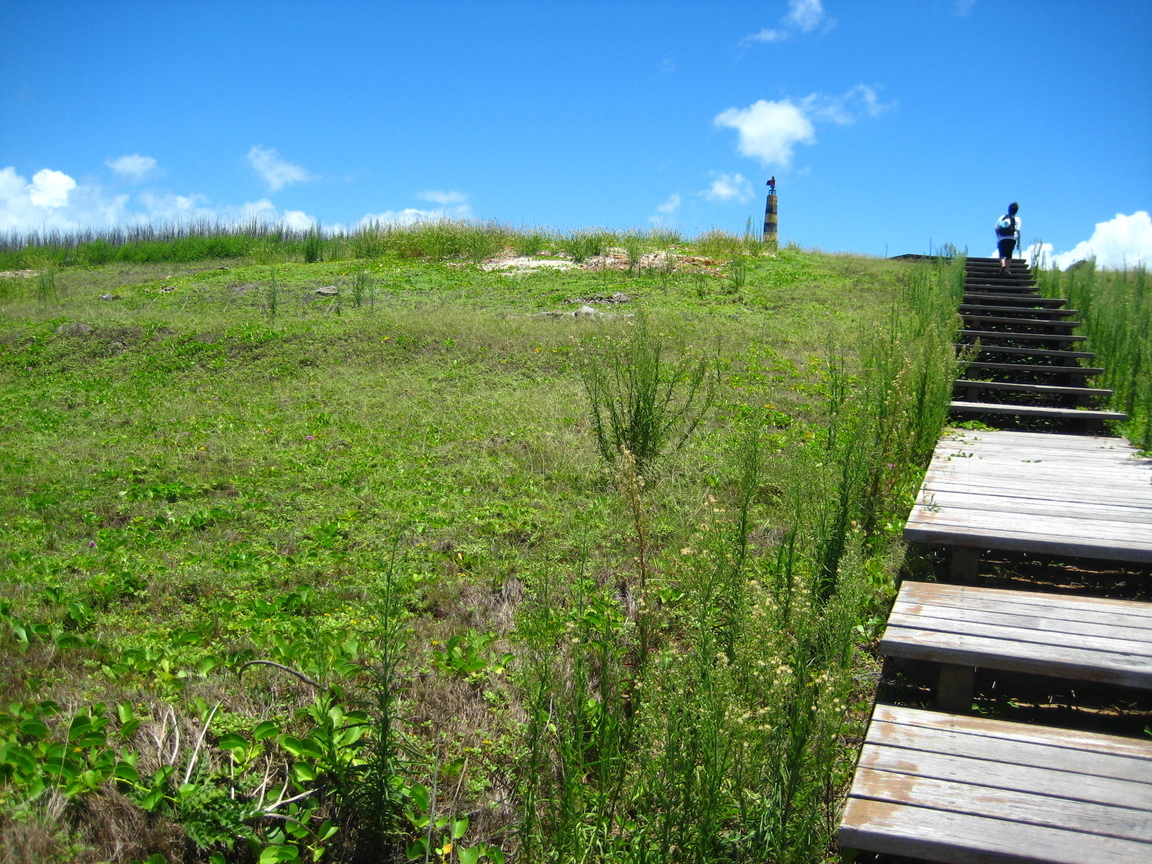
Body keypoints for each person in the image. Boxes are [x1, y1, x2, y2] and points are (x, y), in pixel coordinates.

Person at [995, 202, 1021, 273]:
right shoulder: (1017, 219)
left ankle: (1003, 264)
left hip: (1002, 238)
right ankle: (1007, 269)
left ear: (1008, 209)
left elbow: (996, 228)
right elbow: (1018, 231)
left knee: (1002, 254)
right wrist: (1018, 243)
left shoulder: (1002, 217)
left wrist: (999, 237)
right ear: (1016, 211)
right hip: (1012, 239)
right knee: (1009, 255)